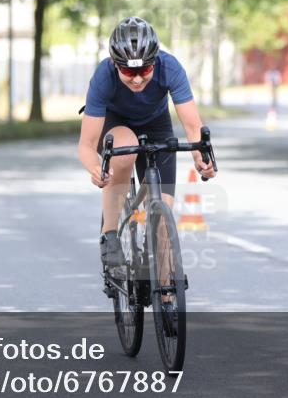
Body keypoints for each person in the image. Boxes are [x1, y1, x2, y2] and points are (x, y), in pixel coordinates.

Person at [78, 17, 216, 269]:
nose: (138, 79)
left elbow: (193, 126)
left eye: (145, 70)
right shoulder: (103, 76)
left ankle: (165, 299)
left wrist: (201, 159)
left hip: (156, 125)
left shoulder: (170, 67)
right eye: (129, 72)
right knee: (124, 148)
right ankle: (109, 235)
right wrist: (96, 169)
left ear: (155, 62)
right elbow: (86, 145)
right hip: (114, 123)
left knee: (162, 220)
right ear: (115, 64)